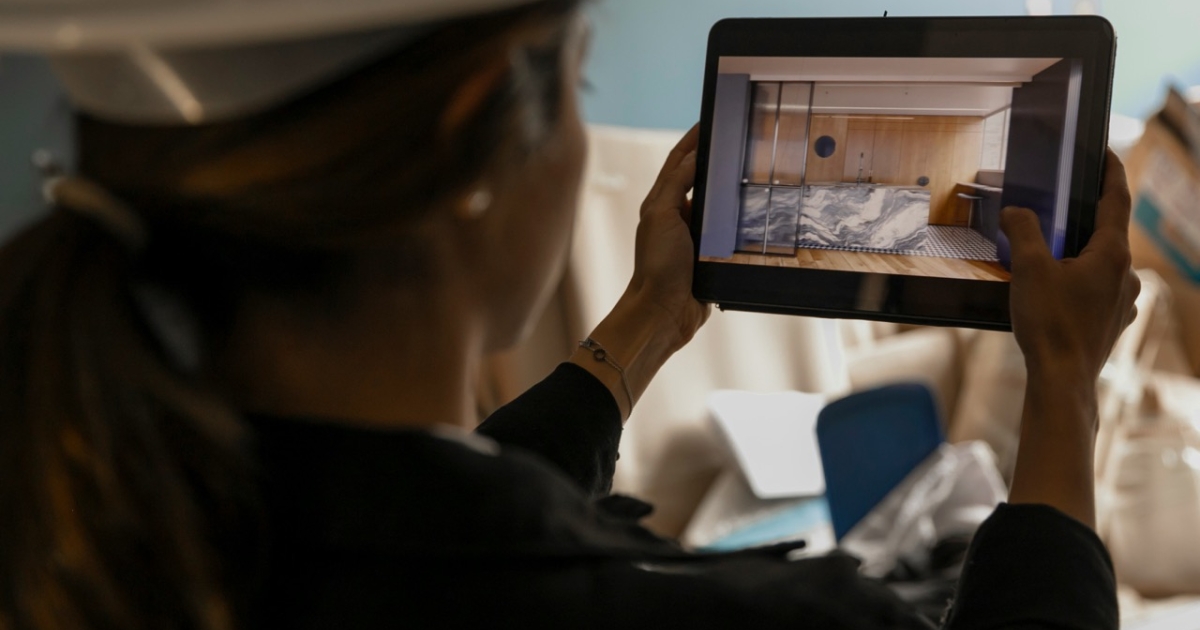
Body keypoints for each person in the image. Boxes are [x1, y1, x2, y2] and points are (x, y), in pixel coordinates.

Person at [0, 0, 1140, 628]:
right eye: (580, 87)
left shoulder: (107, 500)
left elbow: (410, 520)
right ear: (474, 145)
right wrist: (1064, 388)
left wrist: (645, 321)